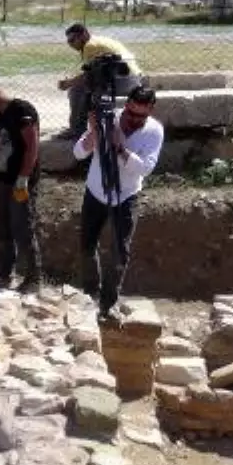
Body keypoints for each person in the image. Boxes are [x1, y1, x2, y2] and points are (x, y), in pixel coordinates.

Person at [72, 85, 164, 320]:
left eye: (140, 116)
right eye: (130, 113)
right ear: (126, 106)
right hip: (96, 191)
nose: (133, 119)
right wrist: (94, 134)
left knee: (119, 252)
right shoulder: (106, 120)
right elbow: (78, 153)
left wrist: (119, 148)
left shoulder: (154, 131)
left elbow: (145, 168)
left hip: (126, 195)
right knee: (87, 245)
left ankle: (109, 302)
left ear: (151, 110)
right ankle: (91, 294)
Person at [0, 78, 43, 293]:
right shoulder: (0, 115)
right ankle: (5, 273)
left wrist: (23, 178)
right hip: (3, 178)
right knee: (3, 227)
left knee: (23, 226)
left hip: (21, 180)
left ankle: (33, 279)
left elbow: (32, 147)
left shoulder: (22, 110)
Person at [58, 23, 143, 140]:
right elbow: (92, 71)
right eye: (69, 42)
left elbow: (88, 75)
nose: (71, 44)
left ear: (84, 35)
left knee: (76, 90)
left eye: (73, 40)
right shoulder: (97, 41)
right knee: (83, 86)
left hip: (123, 80)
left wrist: (68, 83)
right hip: (132, 79)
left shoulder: (90, 46)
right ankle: (81, 127)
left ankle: (76, 129)